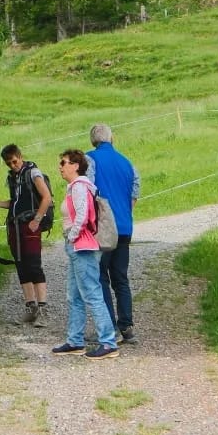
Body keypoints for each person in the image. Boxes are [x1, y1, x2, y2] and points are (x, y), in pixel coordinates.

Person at [51, 149, 119, 358]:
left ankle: (108, 342)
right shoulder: (76, 187)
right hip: (77, 246)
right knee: (74, 295)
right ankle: (75, 340)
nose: (60, 167)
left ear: (76, 165)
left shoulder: (80, 187)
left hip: (82, 247)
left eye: (64, 163)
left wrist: (72, 235)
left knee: (92, 293)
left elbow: (82, 214)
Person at [0, 144, 52, 325]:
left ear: (20, 156)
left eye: (14, 161)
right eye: (8, 163)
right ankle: (31, 308)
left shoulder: (33, 173)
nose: (12, 165)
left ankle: (42, 310)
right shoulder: (12, 177)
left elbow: (46, 197)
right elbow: (15, 201)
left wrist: (36, 220)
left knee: (34, 265)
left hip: (29, 225)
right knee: (21, 265)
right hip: (14, 226)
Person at [87, 122, 140, 344]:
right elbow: (134, 193)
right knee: (121, 277)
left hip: (104, 228)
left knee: (100, 277)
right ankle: (126, 325)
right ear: (112, 138)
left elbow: (88, 191)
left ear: (93, 141)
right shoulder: (127, 163)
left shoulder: (90, 160)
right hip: (125, 226)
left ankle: (109, 326)